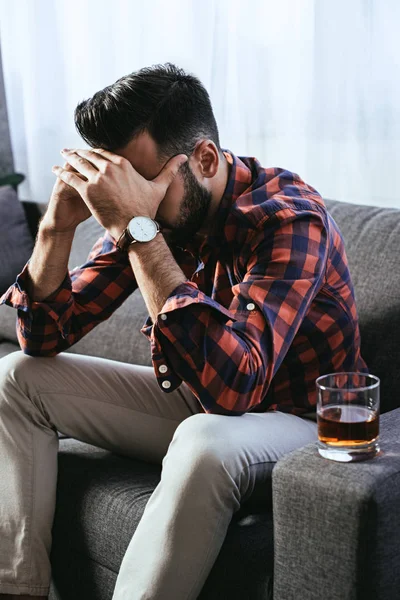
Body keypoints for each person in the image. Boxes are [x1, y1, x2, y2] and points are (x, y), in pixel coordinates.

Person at [0, 63, 368, 600]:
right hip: (207, 401)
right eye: (121, 185)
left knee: (203, 439)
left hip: (300, 422)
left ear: (205, 158)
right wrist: (56, 229)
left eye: (143, 185)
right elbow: (43, 338)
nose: (132, 202)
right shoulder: (160, 214)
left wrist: (136, 228)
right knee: (16, 375)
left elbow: (236, 388)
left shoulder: (288, 219)